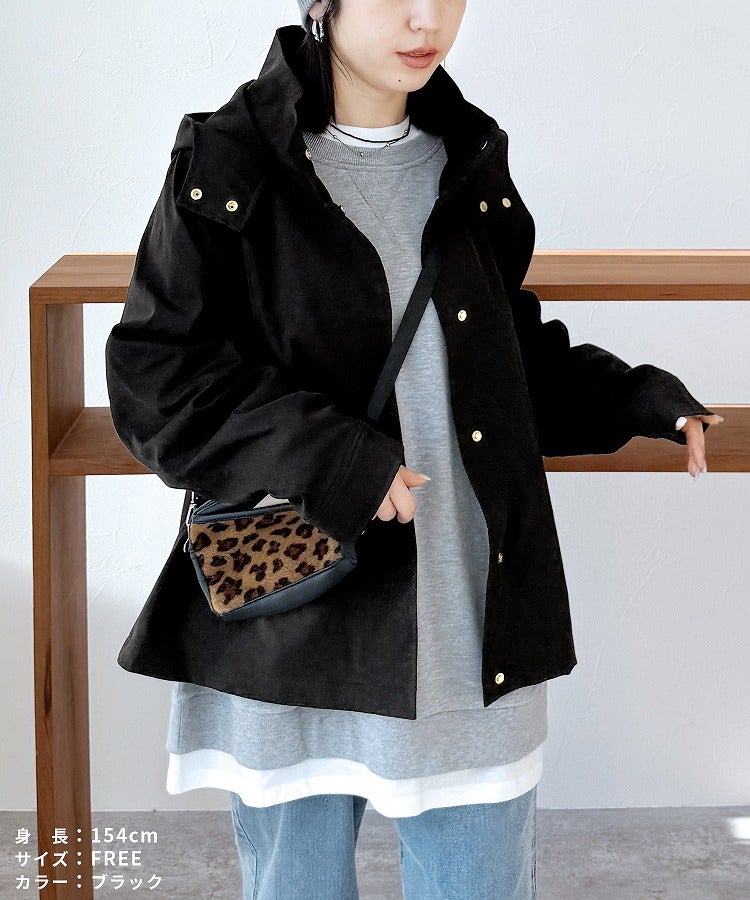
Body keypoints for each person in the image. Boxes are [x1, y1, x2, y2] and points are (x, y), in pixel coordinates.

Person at [105, 1, 723, 897]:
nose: (426, 18)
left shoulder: (465, 155)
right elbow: (157, 378)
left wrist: (638, 397)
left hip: (465, 614)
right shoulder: (233, 159)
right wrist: (336, 460)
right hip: (293, 618)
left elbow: (500, 355)